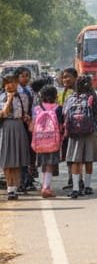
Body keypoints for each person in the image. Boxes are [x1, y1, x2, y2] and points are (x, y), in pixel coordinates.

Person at [64, 74, 97, 198]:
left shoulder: (70, 98)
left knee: (75, 161)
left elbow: (65, 113)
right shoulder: (94, 98)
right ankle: (87, 186)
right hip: (90, 132)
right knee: (88, 159)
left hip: (74, 134)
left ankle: (76, 188)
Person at [1, 70, 32, 200]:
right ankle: (9, 189)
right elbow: (3, 113)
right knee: (7, 161)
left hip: (19, 128)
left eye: (12, 83)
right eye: (7, 83)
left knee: (17, 161)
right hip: (6, 128)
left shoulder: (23, 96)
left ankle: (15, 188)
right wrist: (9, 99)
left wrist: (27, 118)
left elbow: (25, 112)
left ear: (16, 83)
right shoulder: (1, 97)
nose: (9, 85)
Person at [30, 83, 64, 198]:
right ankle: (45, 187)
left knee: (44, 164)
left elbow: (32, 126)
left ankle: (46, 185)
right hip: (53, 141)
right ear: (55, 96)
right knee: (50, 164)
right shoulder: (58, 108)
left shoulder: (37, 108)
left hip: (40, 140)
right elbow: (61, 125)